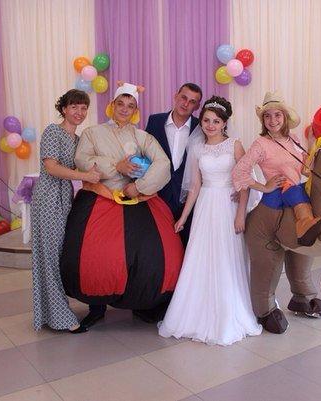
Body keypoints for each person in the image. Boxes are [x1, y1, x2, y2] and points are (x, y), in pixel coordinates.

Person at [61, 82, 183, 328]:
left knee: (147, 255)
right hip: (100, 198)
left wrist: (139, 187)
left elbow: (162, 164)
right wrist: (116, 166)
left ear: (135, 110)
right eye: (121, 104)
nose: (125, 109)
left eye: (130, 105)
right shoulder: (92, 133)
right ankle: (96, 308)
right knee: (96, 255)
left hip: (136, 200)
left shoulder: (142, 137)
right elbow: (82, 159)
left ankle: (141, 304)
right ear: (112, 105)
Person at [158, 96, 262, 345]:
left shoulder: (235, 145)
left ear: (225, 123)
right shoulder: (197, 148)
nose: (210, 125)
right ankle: (194, 314)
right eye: (206, 120)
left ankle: (228, 314)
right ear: (201, 121)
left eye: (216, 121)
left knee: (227, 256)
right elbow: (195, 186)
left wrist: (240, 213)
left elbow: (245, 180)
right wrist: (183, 217)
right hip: (205, 206)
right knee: (201, 257)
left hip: (228, 205)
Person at [232, 91, 321, 334]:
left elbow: (307, 169)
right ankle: (264, 309)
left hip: (295, 198)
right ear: (263, 120)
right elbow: (240, 172)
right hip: (273, 206)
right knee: (269, 263)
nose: (273, 120)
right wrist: (264, 186)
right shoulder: (260, 144)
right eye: (267, 116)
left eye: (277, 115)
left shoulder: (294, 139)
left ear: (285, 117)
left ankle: (303, 297)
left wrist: (314, 143)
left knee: (301, 252)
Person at [31, 89, 100, 333]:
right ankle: (62, 318)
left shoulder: (78, 139)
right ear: (63, 109)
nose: (79, 112)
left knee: (59, 256)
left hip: (65, 198)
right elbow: (51, 167)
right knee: (49, 257)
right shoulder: (53, 131)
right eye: (74, 107)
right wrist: (84, 176)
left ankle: (54, 312)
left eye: (83, 108)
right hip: (48, 197)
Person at [145, 83, 202, 245]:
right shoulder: (155, 121)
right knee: (158, 244)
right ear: (176, 96)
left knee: (187, 246)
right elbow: (146, 155)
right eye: (183, 97)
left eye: (192, 101)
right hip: (157, 195)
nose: (186, 103)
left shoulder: (201, 127)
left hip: (189, 200)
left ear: (197, 106)